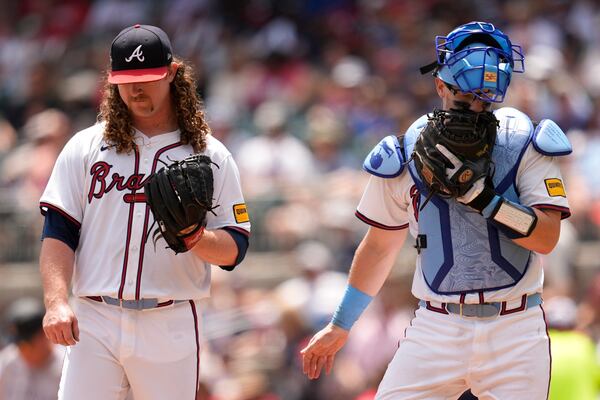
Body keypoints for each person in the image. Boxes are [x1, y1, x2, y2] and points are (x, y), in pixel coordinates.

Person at [300, 21, 571, 399]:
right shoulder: (406, 149)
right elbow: (379, 247)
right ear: (440, 85)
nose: (475, 108)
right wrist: (341, 323)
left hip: (517, 326)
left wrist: (484, 200)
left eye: (484, 99)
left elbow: (546, 237)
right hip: (437, 325)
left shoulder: (524, 140)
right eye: (464, 96)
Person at [38, 24, 251, 400]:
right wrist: (56, 302)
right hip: (95, 318)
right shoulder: (85, 146)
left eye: (147, 78)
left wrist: (195, 237)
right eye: (126, 80)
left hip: (170, 321)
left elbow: (235, 248)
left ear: (171, 74)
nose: (136, 89)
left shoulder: (210, 155)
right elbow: (58, 230)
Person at [0, 297, 63, 400]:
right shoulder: (6, 362)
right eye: (18, 345)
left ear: (44, 335)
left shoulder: (66, 366)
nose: (21, 351)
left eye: (26, 344)